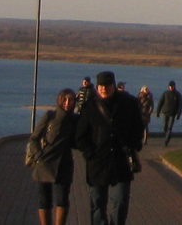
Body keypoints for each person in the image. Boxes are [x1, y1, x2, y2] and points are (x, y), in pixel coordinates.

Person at [75, 70, 145, 225]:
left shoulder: (129, 103)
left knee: (120, 202)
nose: (104, 89)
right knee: (98, 204)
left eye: (107, 86)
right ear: (97, 87)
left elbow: (137, 128)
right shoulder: (90, 106)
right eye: (101, 86)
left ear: (113, 85)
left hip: (121, 161)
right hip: (97, 163)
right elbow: (80, 136)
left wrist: (133, 145)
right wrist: (89, 153)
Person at [28, 88, 78, 225]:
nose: (67, 103)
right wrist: (39, 156)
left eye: (71, 100)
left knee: (62, 200)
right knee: (44, 200)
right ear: (60, 100)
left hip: (64, 163)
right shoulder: (50, 116)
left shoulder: (75, 119)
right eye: (65, 99)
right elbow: (34, 138)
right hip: (45, 163)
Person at [157, 80, 182, 145]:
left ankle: (167, 140)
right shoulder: (165, 93)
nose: (171, 87)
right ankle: (167, 135)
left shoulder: (178, 94)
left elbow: (180, 105)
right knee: (165, 127)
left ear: (174, 86)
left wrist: (179, 114)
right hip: (165, 112)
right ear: (168, 87)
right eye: (170, 86)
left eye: (172, 86)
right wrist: (158, 112)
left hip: (173, 113)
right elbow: (160, 102)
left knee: (170, 127)